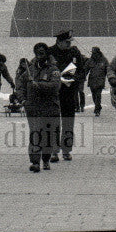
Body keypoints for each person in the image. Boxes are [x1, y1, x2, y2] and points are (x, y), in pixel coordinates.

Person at [16, 42, 61, 172]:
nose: (39, 54)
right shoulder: (30, 70)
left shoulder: (53, 70)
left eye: (42, 52)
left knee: (47, 135)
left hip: (49, 108)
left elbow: (55, 86)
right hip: (33, 107)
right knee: (35, 134)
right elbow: (20, 85)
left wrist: (39, 85)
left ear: (46, 53)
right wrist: (23, 100)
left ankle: (46, 159)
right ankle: (35, 162)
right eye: (37, 52)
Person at [47, 30, 86, 161]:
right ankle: (53, 150)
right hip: (54, 92)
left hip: (70, 91)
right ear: (59, 41)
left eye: (70, 42)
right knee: (54, 122)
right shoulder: (49, 52)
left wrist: (75, 79)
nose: (69, 44)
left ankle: (66, 150)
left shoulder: (74, 52)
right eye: (67, 42)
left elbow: (81, 70)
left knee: (68, 121)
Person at [86, 47, 109, 116]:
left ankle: (97, 110)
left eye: (94, 53)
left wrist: (111, 78)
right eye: (92, 53)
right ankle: (98, 105)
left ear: (98, 53)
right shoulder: (90, 60)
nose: (93, 54)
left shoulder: (104, 60)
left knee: (98, 95)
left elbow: (108, 70)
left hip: (100, 81)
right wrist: (82, 77)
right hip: (92, 81)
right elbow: (86, 69)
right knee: (94, 95)